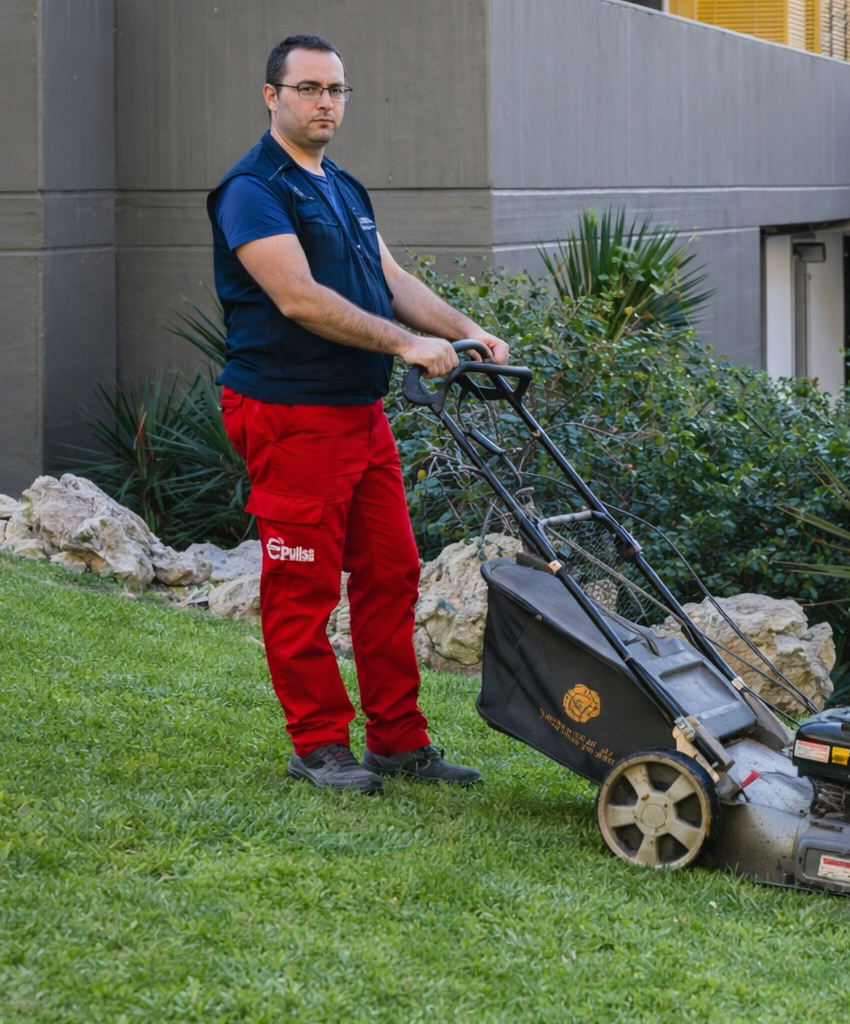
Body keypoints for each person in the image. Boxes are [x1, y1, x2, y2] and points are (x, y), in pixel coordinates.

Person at [208, 34, 508, 793]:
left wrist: (462, 331)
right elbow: (297, 297)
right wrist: (407, 344)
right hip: (288, 412)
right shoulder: (253, 189)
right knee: (302, 584)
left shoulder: (340, 186)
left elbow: (390, 276)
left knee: (391, 573)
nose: (326, 103)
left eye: (336, 90)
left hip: (357, 412)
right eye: (309, 88)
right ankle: (317, 745)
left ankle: (399, 742)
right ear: (271, 95)